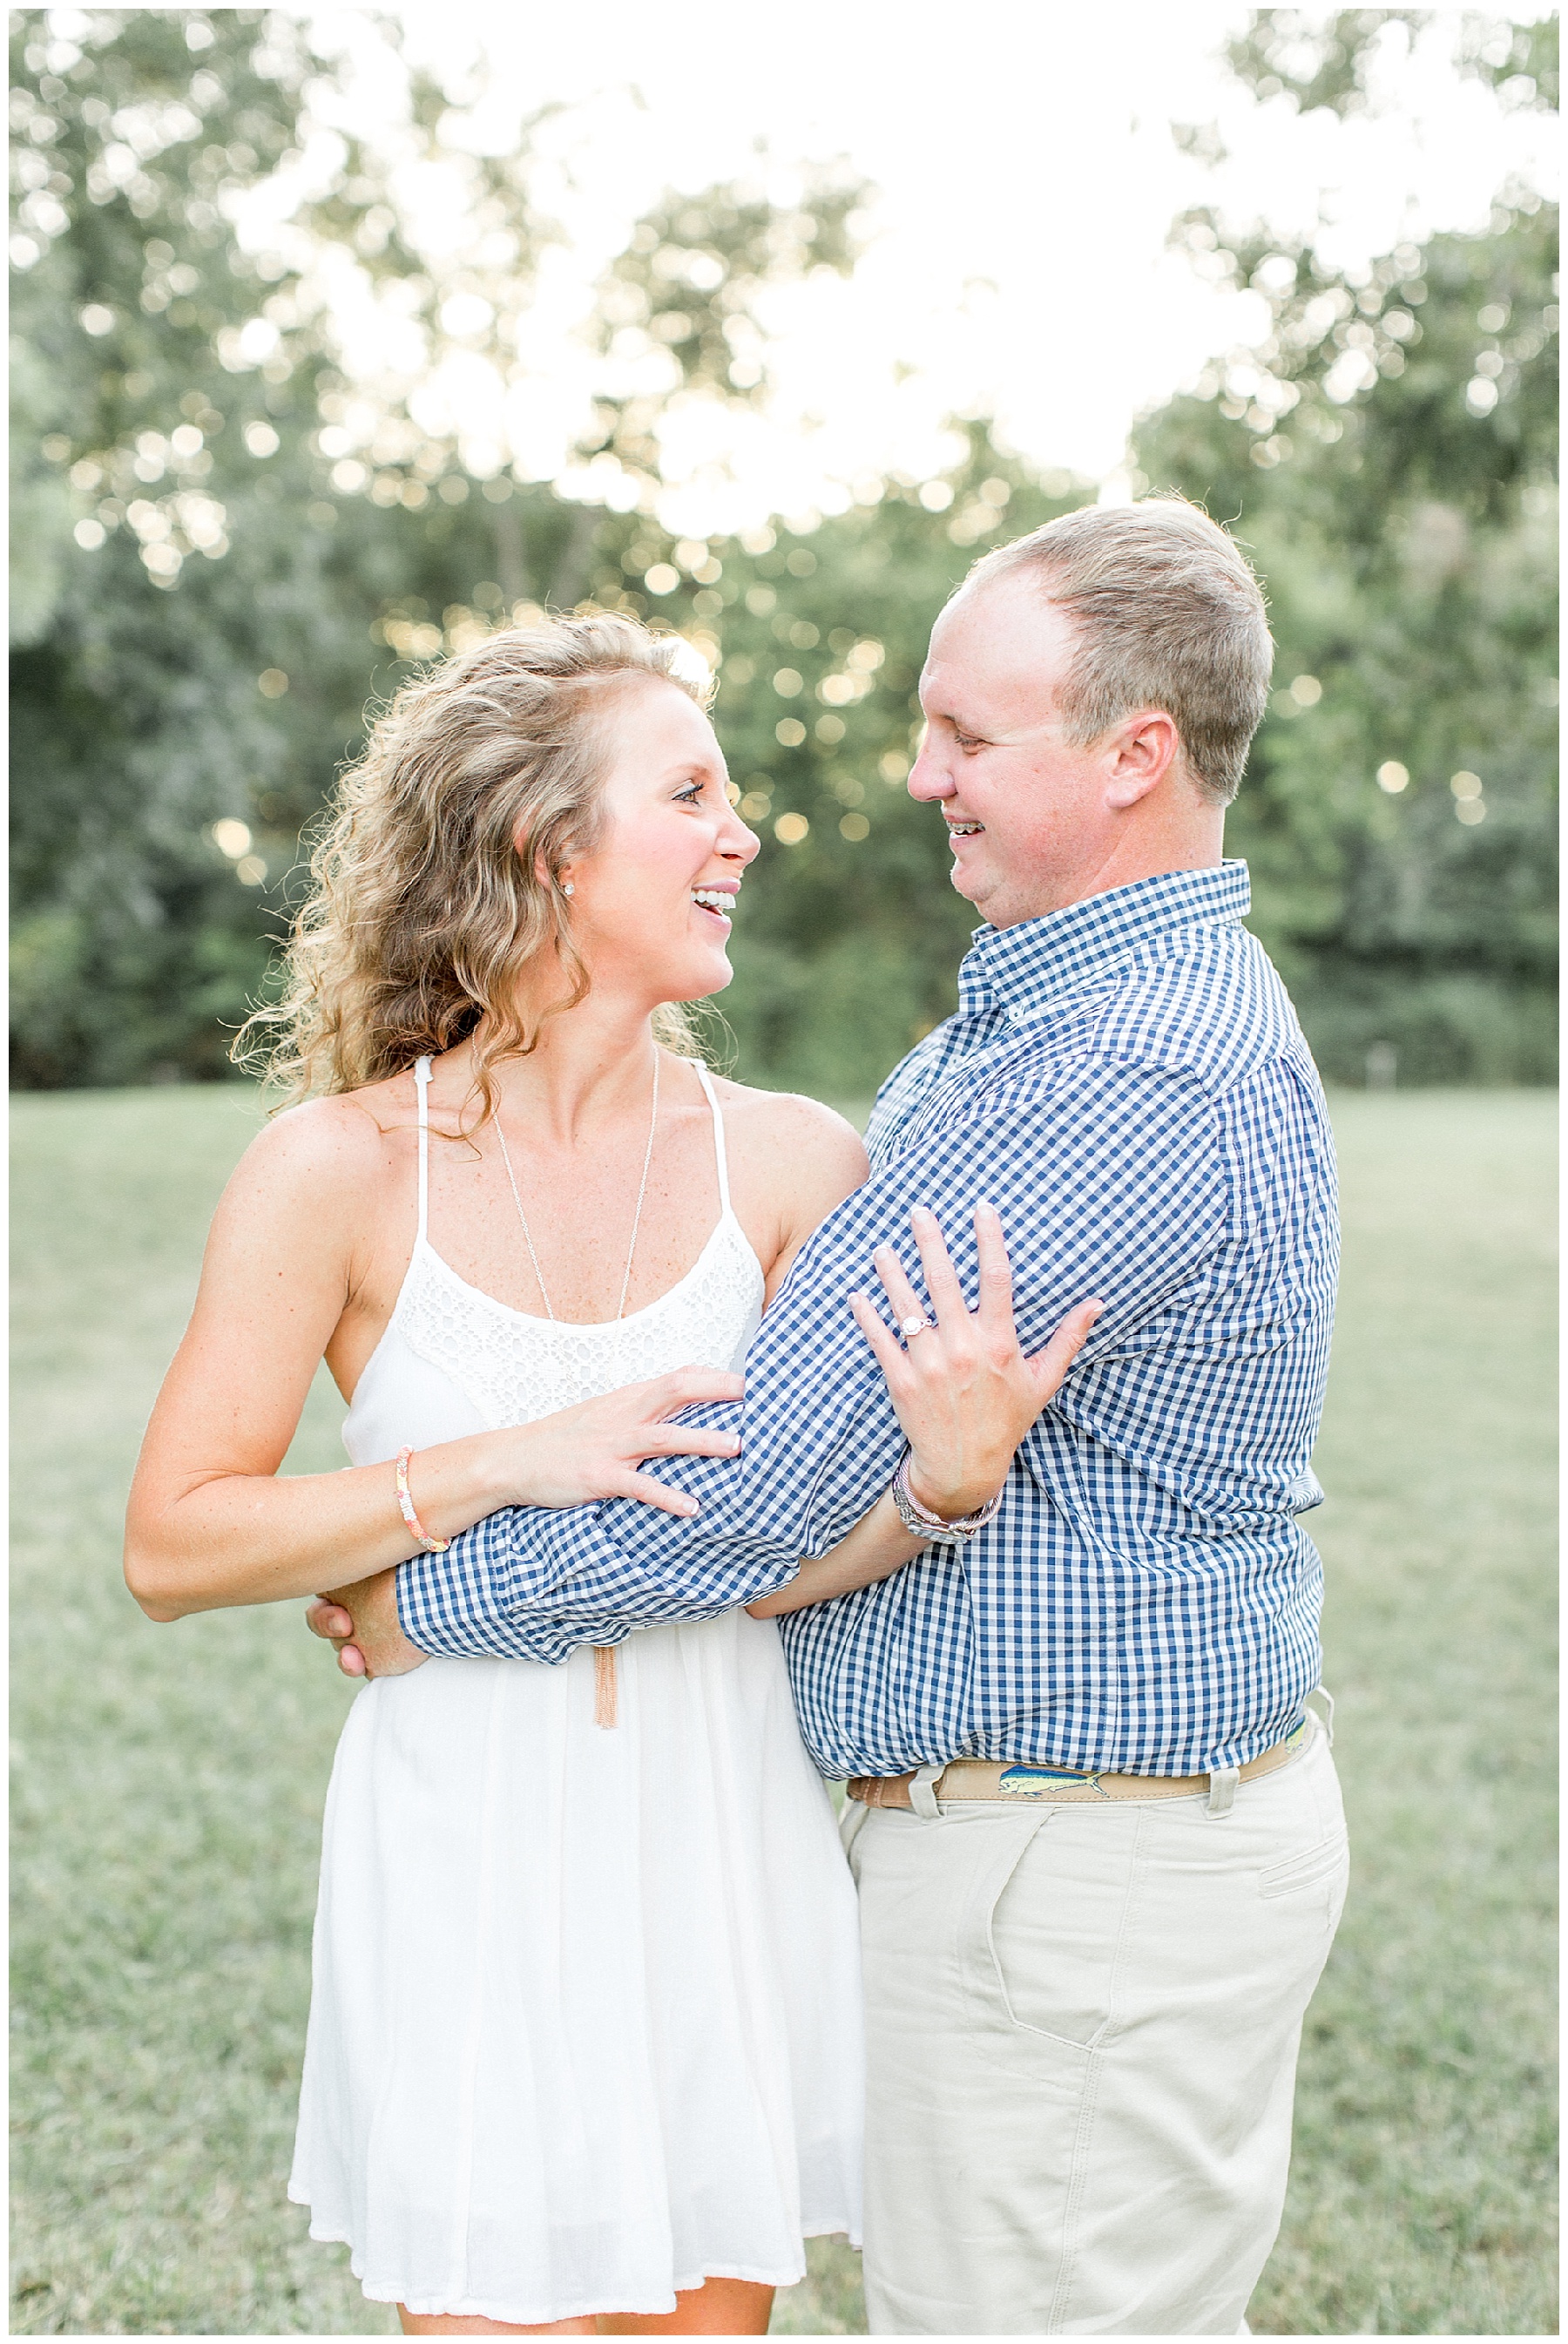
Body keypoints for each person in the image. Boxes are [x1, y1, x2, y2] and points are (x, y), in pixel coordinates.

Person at [314, 498, 1350, 2337]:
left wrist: (426, 1600)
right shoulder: (1048, 1024)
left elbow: (760, 1481)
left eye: (967, 734)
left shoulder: (1123, 1067)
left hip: (1076, 1867)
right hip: (1041, 1849)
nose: (923, 774)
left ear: (1135, 755)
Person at [123, 613, 1097, 2338]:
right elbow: (176, 1540)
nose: (744, 836)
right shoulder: (335, 1169)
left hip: (720, 1838)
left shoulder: (792, 1164)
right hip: (469, 1851)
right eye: (692, 793)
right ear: (543, 844)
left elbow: (776, 1545)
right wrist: (501, 1458)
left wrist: (940, 1489)